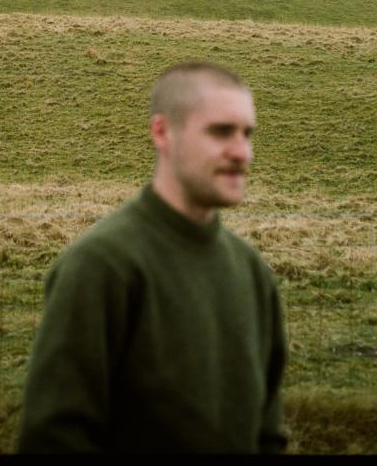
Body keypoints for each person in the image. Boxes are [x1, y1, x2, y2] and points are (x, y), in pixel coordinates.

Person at [17, 62, 288, 454]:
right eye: (220, 132)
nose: (242, 152)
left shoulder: (252, 272)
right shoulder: (101, 265)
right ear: (162, 132)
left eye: (248, 134)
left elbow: (267, 436)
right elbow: (54, 438)